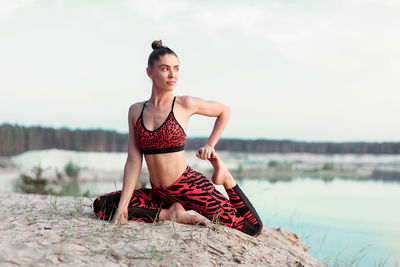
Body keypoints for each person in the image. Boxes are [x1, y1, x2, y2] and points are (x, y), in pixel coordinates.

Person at [93, 40, 263, 237]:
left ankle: (225, 177)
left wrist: (210, 144)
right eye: (165, 69)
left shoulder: (184, 104)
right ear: (150, 72)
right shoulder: (135, 111)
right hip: (160, 194)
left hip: (190, 187)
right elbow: (133, 160)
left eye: (176, 69)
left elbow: (224, 111)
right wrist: (123, 204)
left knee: (252, 228)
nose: (173, 75)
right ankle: (171, 214)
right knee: (101, 206)